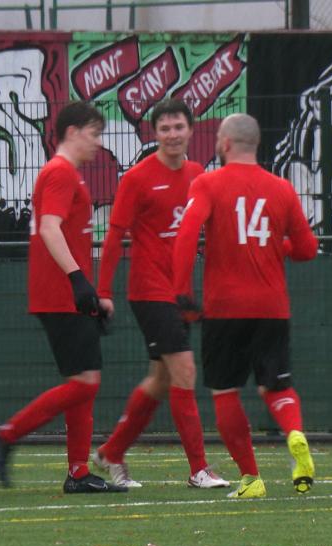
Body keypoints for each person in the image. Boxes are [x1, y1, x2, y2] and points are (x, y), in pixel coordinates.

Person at [173, 113, 318, 499]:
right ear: (255, 145)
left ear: (224, 144)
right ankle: (295, 432)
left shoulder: (207, 183)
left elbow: (187, 235)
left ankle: (251, 479)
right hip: (272, 307)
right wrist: (275, 249)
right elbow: (307, 249)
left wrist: (182, 291)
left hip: (224, 308)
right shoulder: (282, 189)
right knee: (276, 384)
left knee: (225, 391)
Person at [0, 101, 125, 494]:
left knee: (83, 383)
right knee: (85, 384)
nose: (98, 143)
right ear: (72, 132)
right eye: (94, 134)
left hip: (68, 293)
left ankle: (78, 473)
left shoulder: (65, 174)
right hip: (61, 294)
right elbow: (50, 229)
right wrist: (80, 282)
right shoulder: (60, 173)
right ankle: (7, 436)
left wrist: (92, 291)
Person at [93, 99, 228, 490]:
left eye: (178, 127)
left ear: (190, 130)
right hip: (149, 291)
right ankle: (199, 469)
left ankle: (111, 452)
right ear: (155, 134)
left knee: (161, 380)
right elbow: (115, 235)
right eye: (165, 128)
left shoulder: (198, 175)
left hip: (181, 292)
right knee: (185, 371)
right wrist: (104, 291)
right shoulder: (136, 178)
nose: (172, 134)